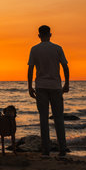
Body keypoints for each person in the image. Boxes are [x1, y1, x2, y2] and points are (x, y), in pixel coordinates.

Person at [27, 25, 69, 157]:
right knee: (58, 118)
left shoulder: (34, 49)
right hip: (55, 86)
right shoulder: (57, 48)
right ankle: (62, 149)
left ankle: (46, 150)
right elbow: (65, 67)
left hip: (41, 86)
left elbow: (30, 69)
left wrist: (29, 86)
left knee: (43, 118)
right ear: (50, 34)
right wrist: (67, 83)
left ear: (39, 35)